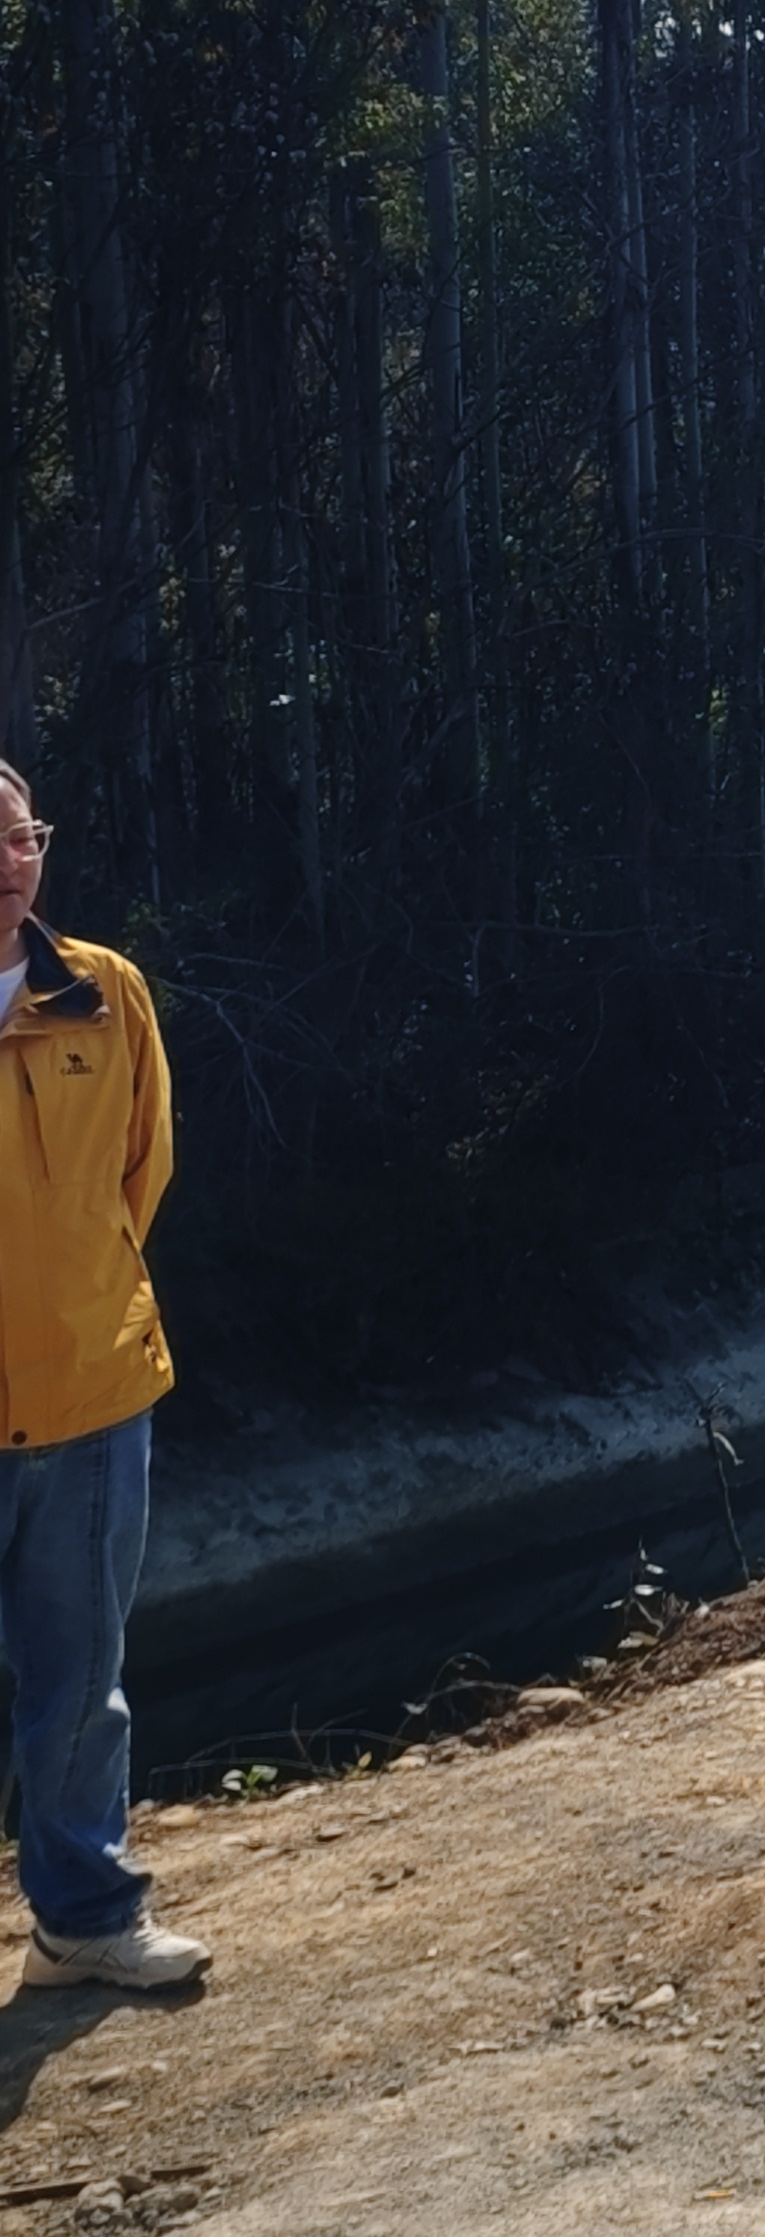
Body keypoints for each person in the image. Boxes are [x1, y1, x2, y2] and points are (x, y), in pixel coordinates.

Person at [0, 758, 204, 1994]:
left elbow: (144, 1166)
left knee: (81, 1680)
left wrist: (78, 1294)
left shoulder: (103, 991)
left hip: (90, 1394)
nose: (10, 861)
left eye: (22, 836)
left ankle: (81, 1917)